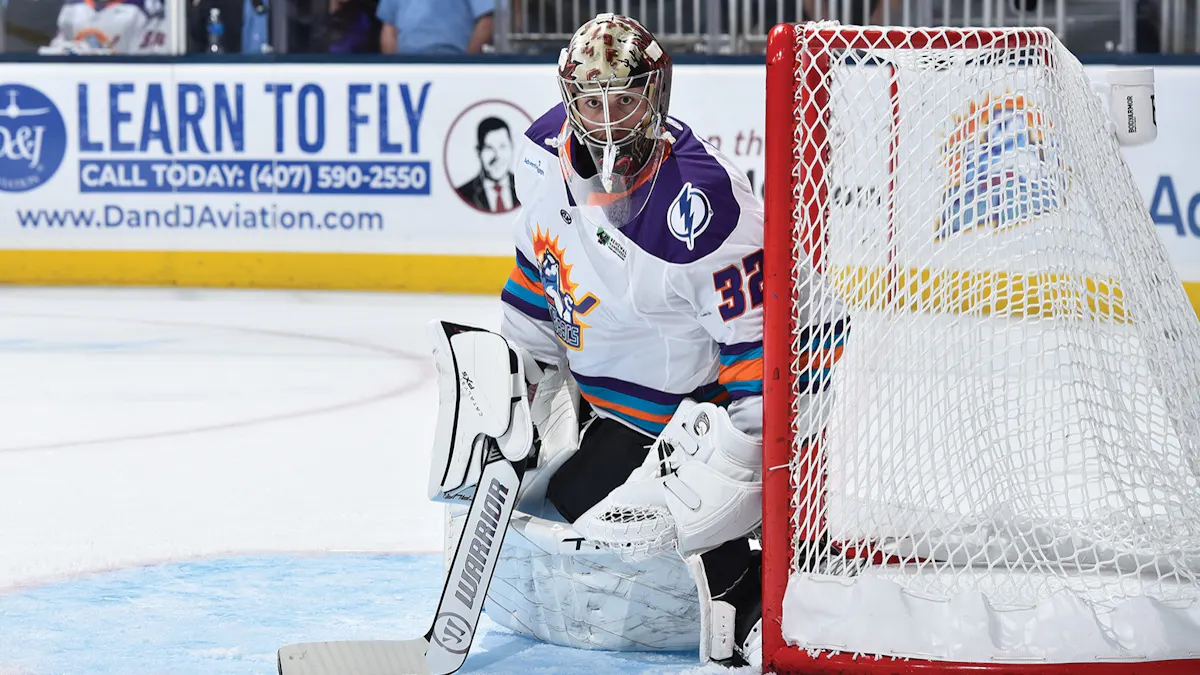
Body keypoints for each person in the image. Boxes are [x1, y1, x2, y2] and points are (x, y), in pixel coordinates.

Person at [482, 12, 847, 668]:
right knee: (570, 509)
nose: (607, 123)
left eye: (624, 100)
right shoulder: (539, 156)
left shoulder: (702, 207)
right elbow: (539, 276)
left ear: (655, 96)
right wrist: (511, 387)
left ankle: (753, 587)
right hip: (628, 411)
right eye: (591, 104)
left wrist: (738, 477)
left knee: (675, 540)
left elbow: (765, 351)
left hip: (713, 410)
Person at [376, 0, 492, 55]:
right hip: (406, 62)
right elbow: (389, 27)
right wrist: (394, 66)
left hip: (452, 60)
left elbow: (487, 21)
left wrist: (467, 64)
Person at [455, 116, 519, 214]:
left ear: (512, 147)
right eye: (489, 148)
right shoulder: (463, 194)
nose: (497, 156)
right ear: (478, 152)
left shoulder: (527, 189)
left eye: (502, 146)